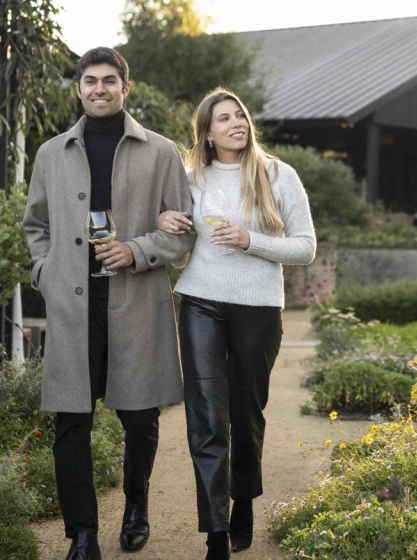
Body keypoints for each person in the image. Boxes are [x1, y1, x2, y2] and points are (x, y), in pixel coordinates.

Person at [24, 47, 193, 560]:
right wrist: (45, 272)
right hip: (72, 307)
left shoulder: (161, 152)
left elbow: (183, 231)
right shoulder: (51, 154)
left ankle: (136, 507)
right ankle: (82, 535)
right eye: (90, 81)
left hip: (135, 301)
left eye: (109, 81)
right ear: (79, 88)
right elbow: (36, 226)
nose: (99, 89)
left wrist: (137, 250)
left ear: (125, 87)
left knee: (140, 419)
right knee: (71, 421)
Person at [158, 88, 316, 559]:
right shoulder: (191, 178)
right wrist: (167, 223)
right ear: (207, 133)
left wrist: (251, 240)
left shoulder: (279, 175)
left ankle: (243, 500)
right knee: (206, 417)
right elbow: (180, 247)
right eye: (224, 118)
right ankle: (216, 532)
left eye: (240, 115)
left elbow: (306, 247)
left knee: (246, 415)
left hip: (258, 308)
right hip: (201, 302)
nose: (236, 123)